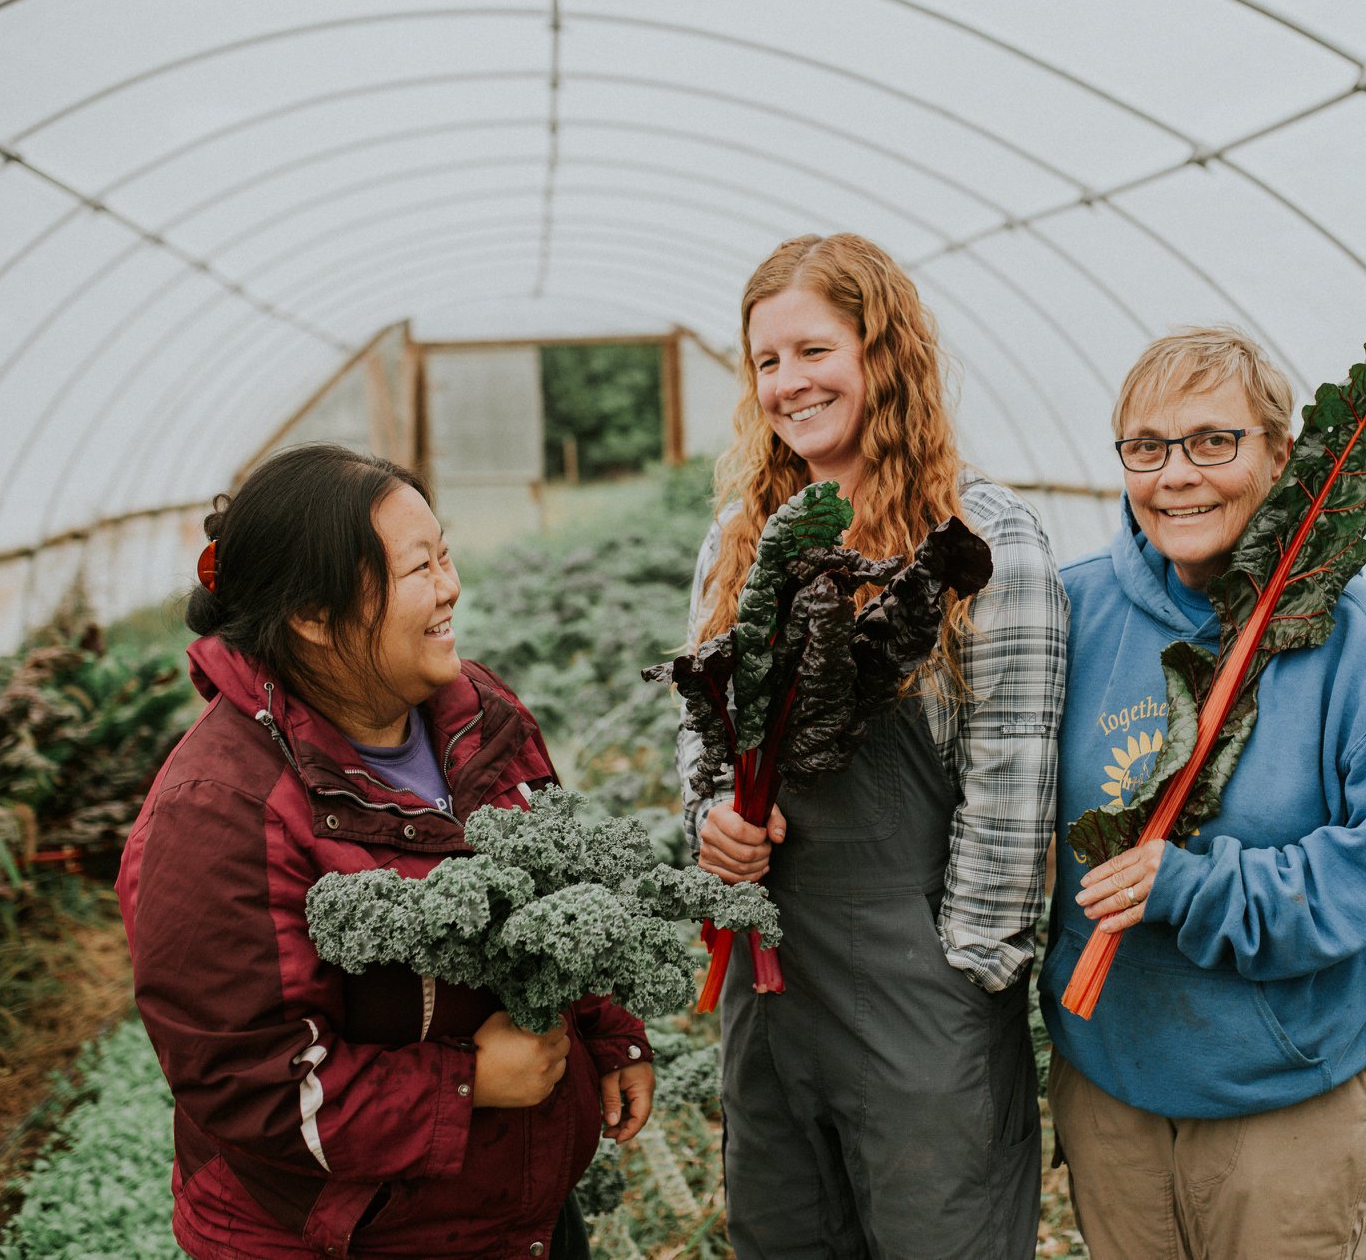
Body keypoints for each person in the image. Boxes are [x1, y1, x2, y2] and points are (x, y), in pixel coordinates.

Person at [116, 443, 655, 1260]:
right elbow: (253, 1086)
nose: (452, 587)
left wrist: (608, 1030)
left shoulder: (480, 713)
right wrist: (468, 1086)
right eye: (419, 569)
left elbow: (563, 884)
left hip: (515, 1217)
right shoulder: (222, 811)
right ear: (313, 613)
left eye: (446, 554)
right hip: (349, 1239)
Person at [678, 233, 1068, 1258]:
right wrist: (713, 829)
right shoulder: (738, 540)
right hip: (770, 982)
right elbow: (703, 756)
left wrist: (964, 975)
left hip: (920, 991)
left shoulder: (985, 541)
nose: (788, 383)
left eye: (813, 350)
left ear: (882, 352)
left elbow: (1013, 780)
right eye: (766, 361)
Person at [1039, 328, 1366, 1259]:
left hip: (1286, 1089)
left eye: (1212, 441)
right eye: (1147, 447)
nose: (1176, 474)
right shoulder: (1070, 610)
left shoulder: (1347, 634)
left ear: (1279, 455)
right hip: (1109, 1078)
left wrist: (1192, 888)